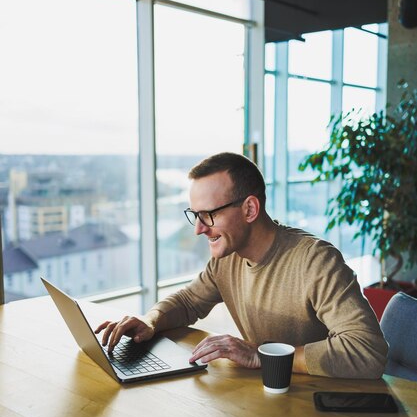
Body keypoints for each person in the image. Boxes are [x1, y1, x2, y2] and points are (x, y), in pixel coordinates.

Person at [95, 152, 388, 378]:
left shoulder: (316, 261)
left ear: (249, 209)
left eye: (208, 215)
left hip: (325, 404)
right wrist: (151, 320)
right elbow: (187, 302)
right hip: (270, 396)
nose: (198, 229)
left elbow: (368, 352)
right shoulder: (226, 259)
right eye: (194, 215)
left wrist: (263, 356)